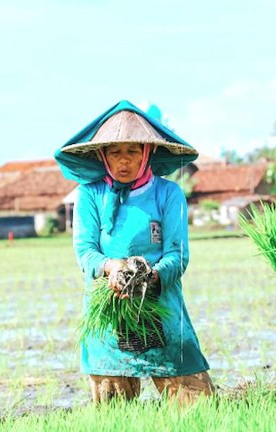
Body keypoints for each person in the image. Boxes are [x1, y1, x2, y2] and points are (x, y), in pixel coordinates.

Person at [56, 100, 214, 406]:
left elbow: (177, 254)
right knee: (114, 414)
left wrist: (151, 276)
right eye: (115, 152)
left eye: (132, 151)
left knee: (198, 407)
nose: (123, 161)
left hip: (161, 306)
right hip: (110, 310)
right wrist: (112, 267)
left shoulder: (168, 194)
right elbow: (86, 252)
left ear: (148, 152)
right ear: (102, 155)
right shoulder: (90, 194)